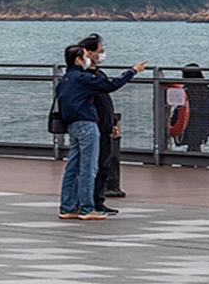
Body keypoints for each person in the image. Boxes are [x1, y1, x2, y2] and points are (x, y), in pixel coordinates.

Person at [57, 46, 146, 221]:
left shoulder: (65, 79)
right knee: (88, 168)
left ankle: (67, 207)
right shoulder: (84, 78)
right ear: (78, 60)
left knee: (72, 168)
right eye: (85, 56)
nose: (88, 59)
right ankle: (87, 208)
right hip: (87, 125)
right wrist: (132, 71)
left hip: (72, 125)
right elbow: (111, 85)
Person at [78, 34, 120, 215]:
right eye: (99, 51)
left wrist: (112, 123)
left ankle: (98, 200)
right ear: (88, 53)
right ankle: (87, 202)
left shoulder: (99, 74)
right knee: (90, 167)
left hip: (104, 126)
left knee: (104, 165)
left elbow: (105, 101)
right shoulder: (83, 76)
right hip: (93, 127)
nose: (102, 55)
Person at [174, 64, 209, 153]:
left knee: (192, 150)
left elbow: (184, 109)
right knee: (195, 148)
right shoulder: (204, 91)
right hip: (202, 127)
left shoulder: (185, 92)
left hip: (187, 127)